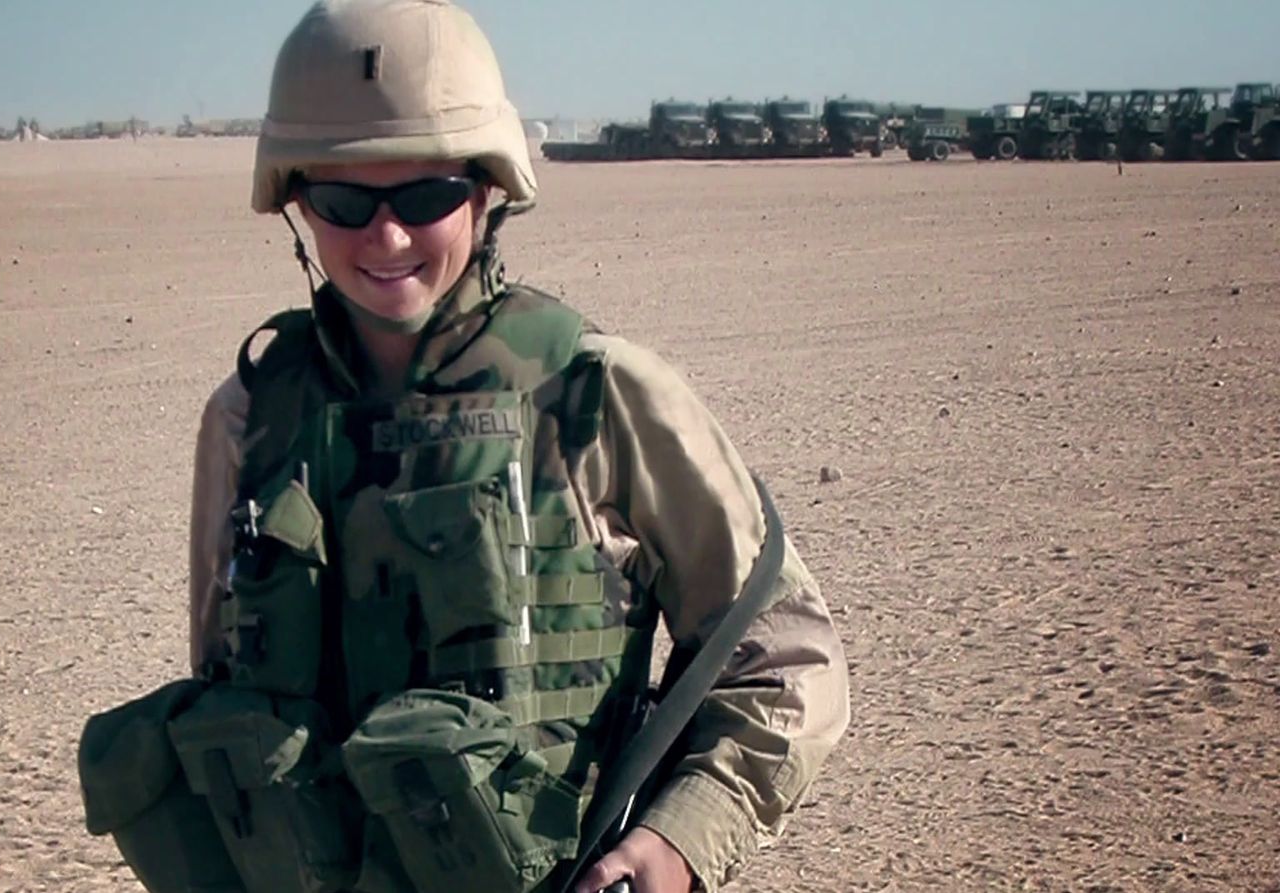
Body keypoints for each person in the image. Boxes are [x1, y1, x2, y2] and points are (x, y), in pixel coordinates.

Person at [79, 2, 849, 892]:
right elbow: (228, 690)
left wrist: (678, 841)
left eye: (427, 195)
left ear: (487, 189)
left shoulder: (598, 392)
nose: (388, 236)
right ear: (295, 198)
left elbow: (788, 658)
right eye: (344, 201)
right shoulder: (251, 416)